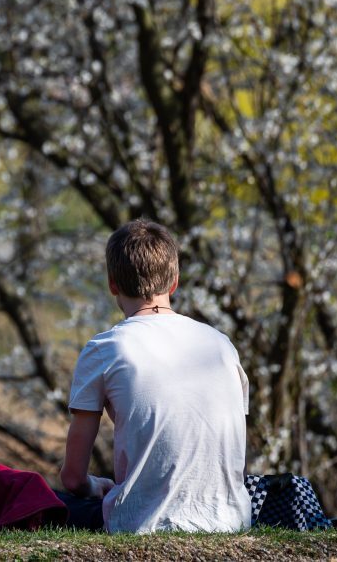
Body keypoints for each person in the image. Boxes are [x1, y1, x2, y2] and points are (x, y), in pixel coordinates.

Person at [57, 219, 252, 533]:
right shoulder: (221, 346)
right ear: (174, 282)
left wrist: (95, 486)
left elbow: (73, 478)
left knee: (49, 500)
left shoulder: (105, 349)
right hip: (230, 519)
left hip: (143, 522)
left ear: (112, 284)